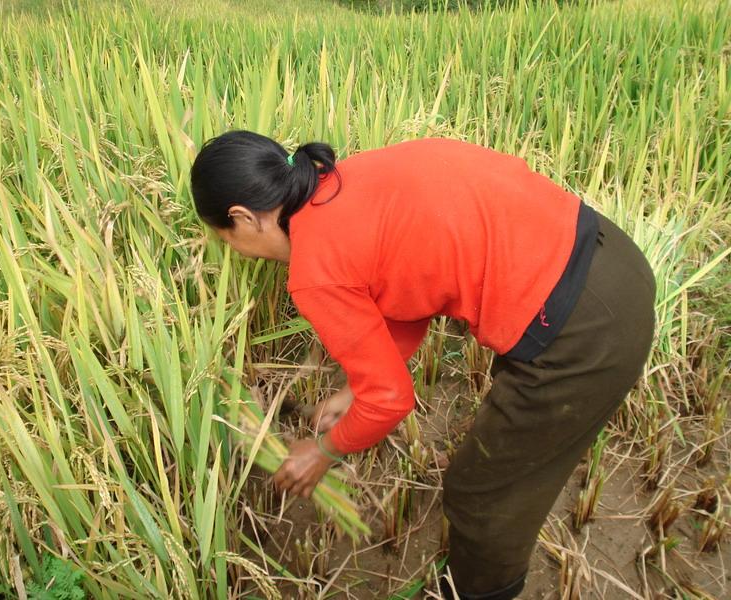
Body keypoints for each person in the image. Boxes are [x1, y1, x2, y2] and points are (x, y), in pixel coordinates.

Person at [189, 130, 656, 600]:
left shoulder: (315, 271)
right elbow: (409, 291)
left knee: (481, 496)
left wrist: (324, 451)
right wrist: (355, 390)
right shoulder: (347, 179)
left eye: (228, 240)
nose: (238, 251)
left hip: (583, 332)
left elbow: (391, 401)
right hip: (611, 258)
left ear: (243, 217)